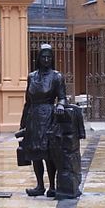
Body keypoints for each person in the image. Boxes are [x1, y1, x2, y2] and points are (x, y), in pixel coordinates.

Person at [19, 43, 67, 197]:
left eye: (49, 57)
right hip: (33, 117)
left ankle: (52, 186)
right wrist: (23, 124)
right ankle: (40, 185)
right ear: (38, 58)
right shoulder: (31, 77)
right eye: (43, 57)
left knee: (49, 153)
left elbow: (62, 97)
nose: (46, 59)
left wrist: (60, 105)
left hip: (48, 116)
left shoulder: (56, 77)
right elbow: (27, 101)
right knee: (35, 152)